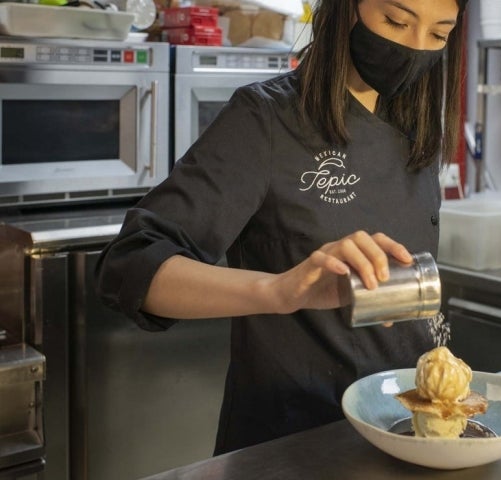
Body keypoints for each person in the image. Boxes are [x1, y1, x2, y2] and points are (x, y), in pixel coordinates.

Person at [95, 0, 468, 454]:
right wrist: (280, 290)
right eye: (396, 21)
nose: (414, 50)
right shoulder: (265, 120)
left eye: (438, 34)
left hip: (405, 432)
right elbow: (130, 264)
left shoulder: (418, 125)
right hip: (292, 443)